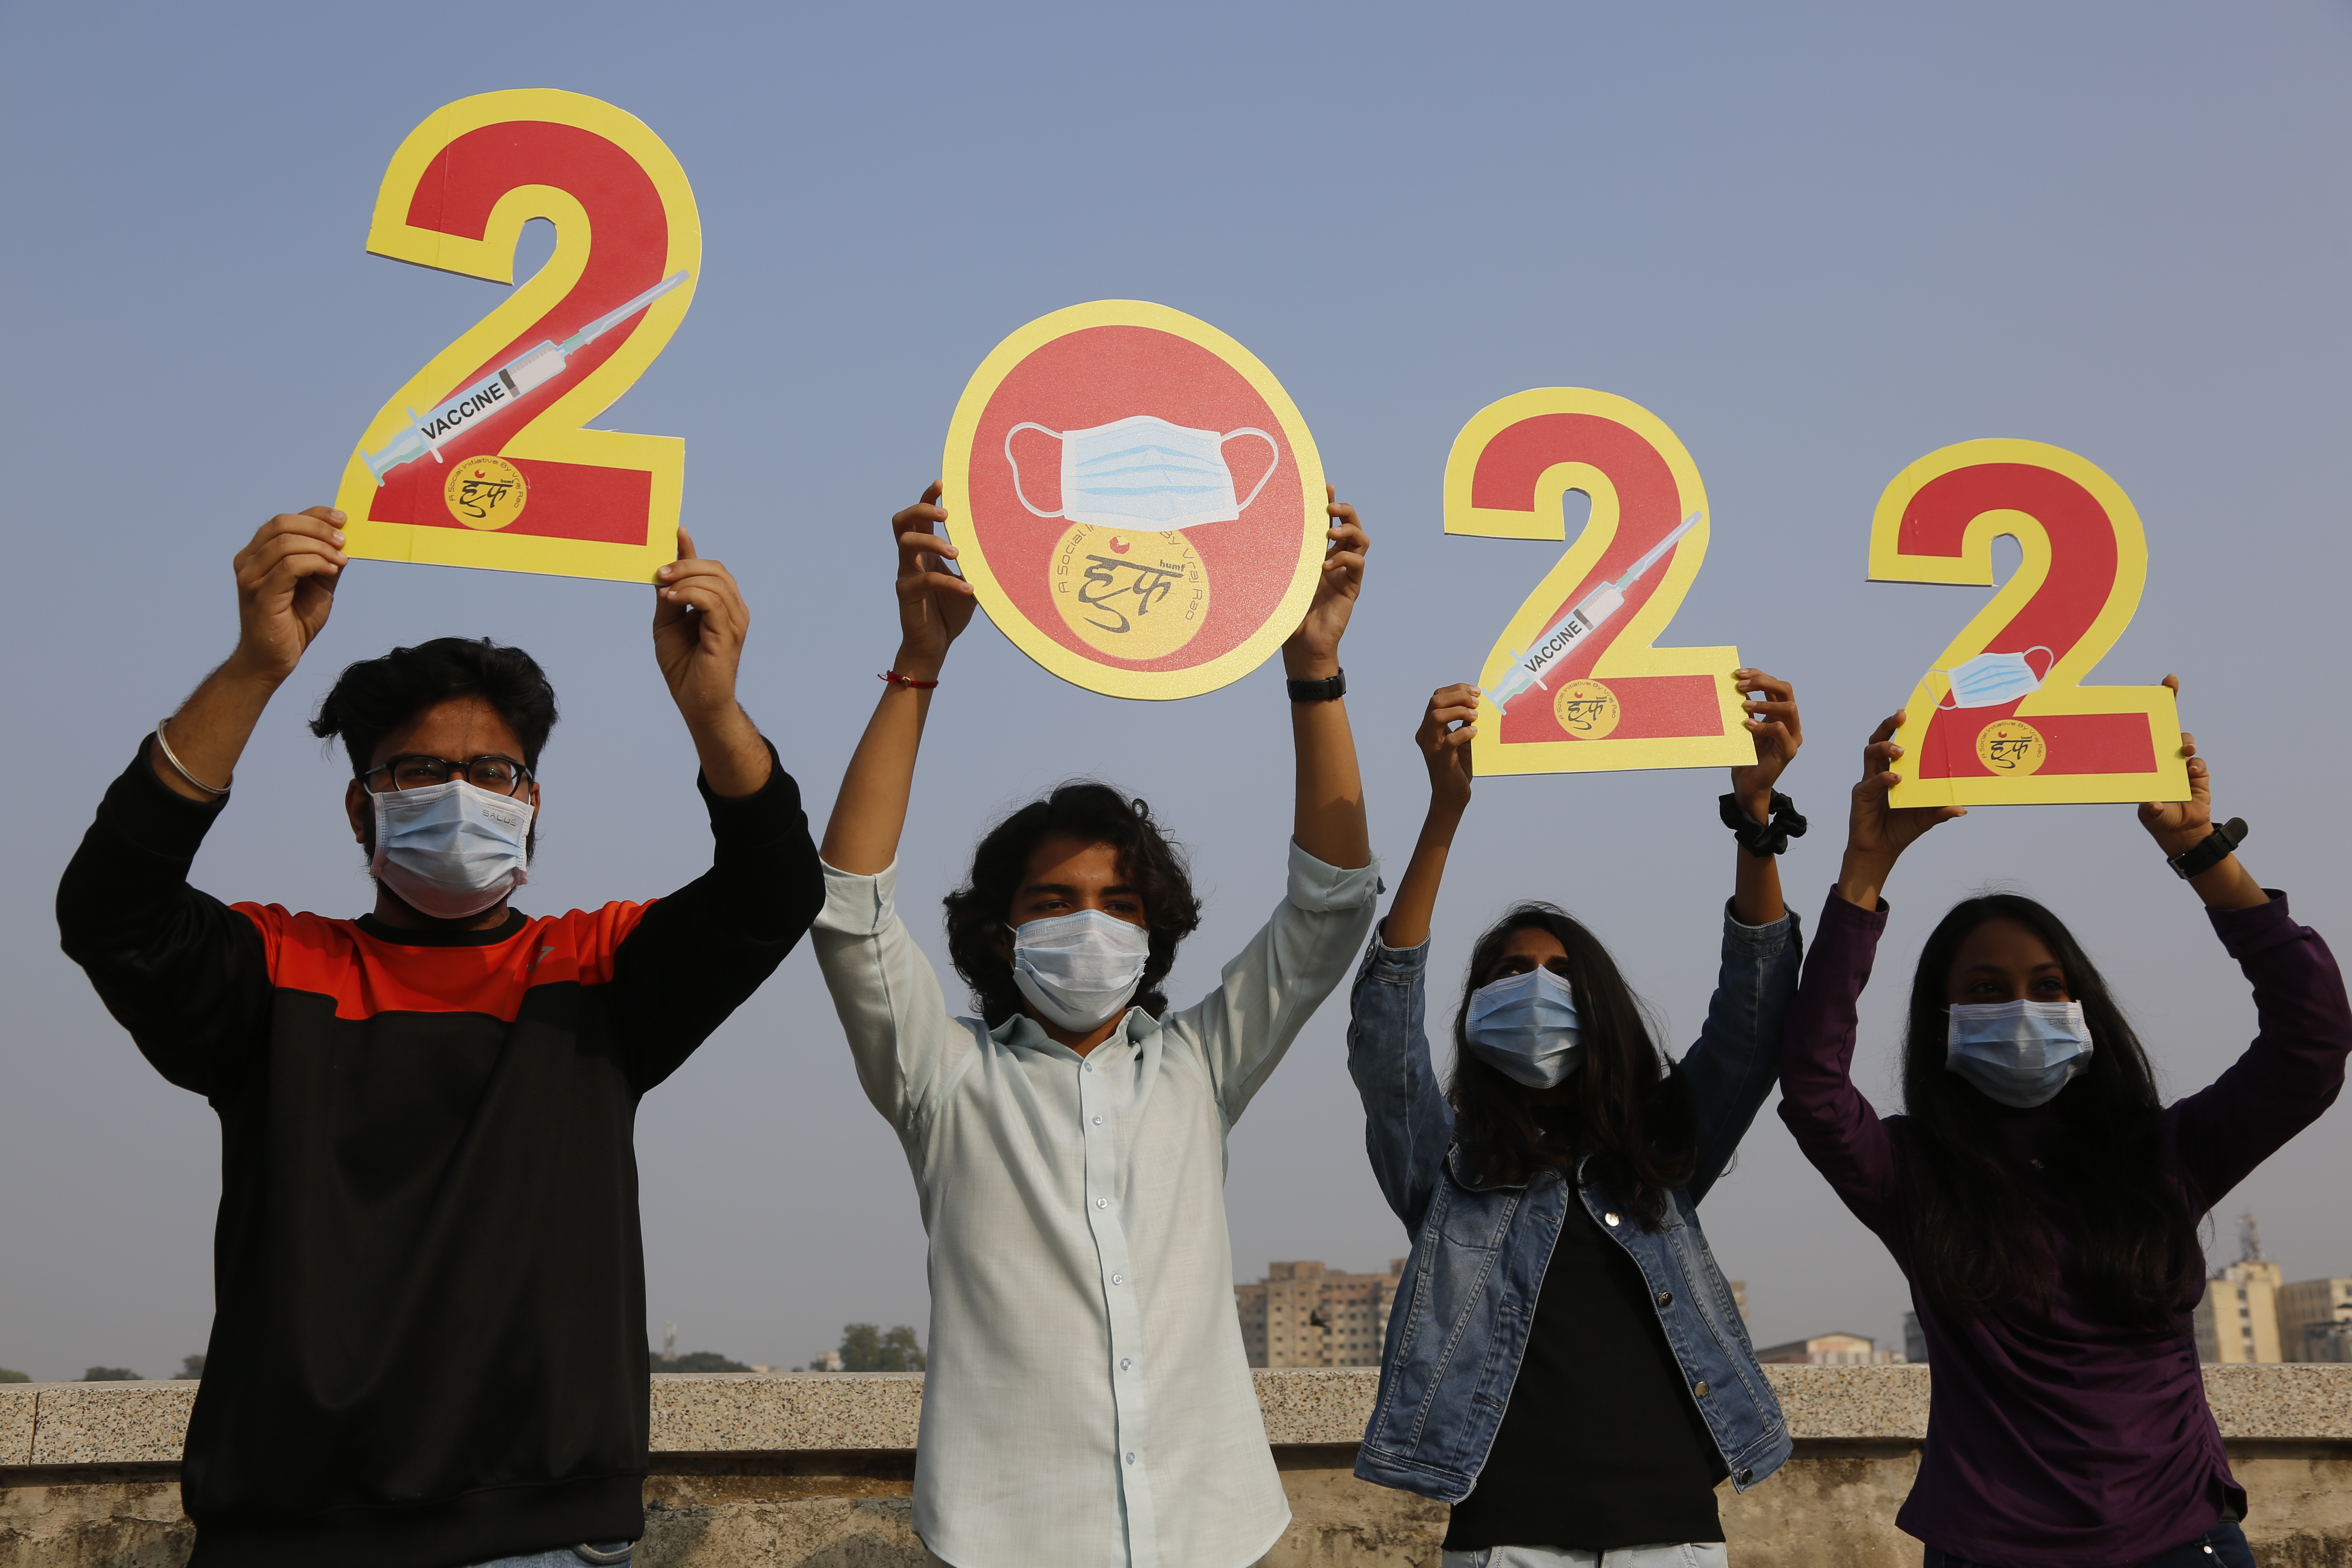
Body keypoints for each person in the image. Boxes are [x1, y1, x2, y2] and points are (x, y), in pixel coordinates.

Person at [56, 507, 823, 1568]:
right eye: (416, 772)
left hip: (543, 1539)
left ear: (533, 804)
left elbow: (773, 890)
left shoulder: (596, 971)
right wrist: (255, 666)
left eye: (493, 772)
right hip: (288, 1540)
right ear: (359, 812)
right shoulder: (276, 973)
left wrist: (714, 712)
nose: (459, 792)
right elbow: (111, 910)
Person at [810, 482, 1379, 1568]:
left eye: (1119, 905)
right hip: (1004, 1540)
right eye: (1051, 902)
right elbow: (849, 906)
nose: (1089, 925)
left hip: (1215, 1534)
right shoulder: (944, 1080)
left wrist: (1314, 669)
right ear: (997, 933)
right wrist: (918, 661)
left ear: (1156, 930)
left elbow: (1331, 906)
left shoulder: (1199, 1066)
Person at [1776, 684, 2352, 1568]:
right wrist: (1865, 870)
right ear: (1941, 1022)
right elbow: (1814, 1087)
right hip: (1989, 1548)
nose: (2021, 1005)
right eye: (1984, 990)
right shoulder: (1914, 1175)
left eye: (2048, 987)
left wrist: (2201, 850)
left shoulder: (2164, 1156)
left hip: (2183, 1541)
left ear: (2085, 1005)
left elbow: (2313, 1041)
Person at [1348, 673, 1811, 1568]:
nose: (1532, 987)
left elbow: (1754, 1021)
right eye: (1507, 971)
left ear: (1597, 1005)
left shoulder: (1660, 1151)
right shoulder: (1448, 1169)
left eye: (1559, 973)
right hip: (1508, 1542)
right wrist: (1445, 813)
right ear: (1472, 1007)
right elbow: (1383, 1037)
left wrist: (1757, 819)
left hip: (1672, 1538)